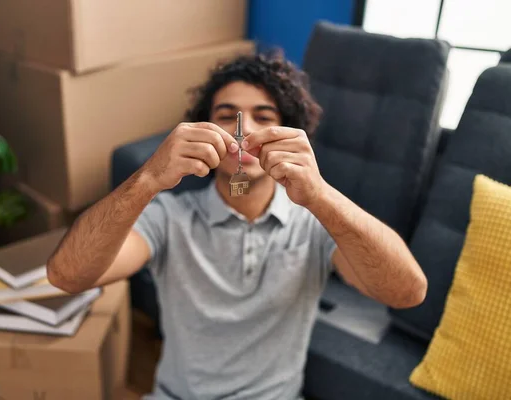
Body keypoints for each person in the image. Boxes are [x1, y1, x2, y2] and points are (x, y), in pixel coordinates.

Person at [47, 51, 427, 400]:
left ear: (288, 134)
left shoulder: (314, 222)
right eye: (227, 115)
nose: (242, 133)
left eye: (264, 117)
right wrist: (148, 178)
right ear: (203, 128)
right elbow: (67, 276)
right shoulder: (169, 217)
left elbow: (407, 292)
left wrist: (320, 194)